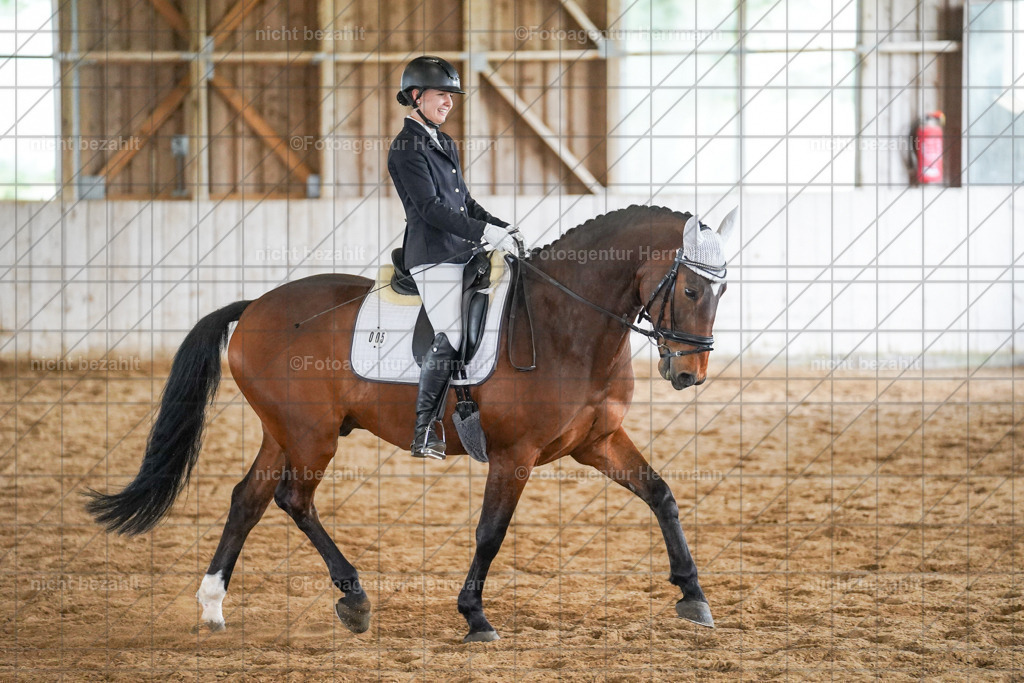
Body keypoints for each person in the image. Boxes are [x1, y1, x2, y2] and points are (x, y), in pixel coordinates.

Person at [388, 55, 519, 460]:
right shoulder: (406, 147)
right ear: (416, 95)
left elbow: (465, 204)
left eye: (452, 96)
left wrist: (502, 227)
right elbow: (431, 209)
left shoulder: (444, 142)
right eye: (442, 95)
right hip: (432, 256)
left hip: (463, 251)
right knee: (453, 335)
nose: (449, 102)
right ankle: (425, 429)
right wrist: (484, 233)